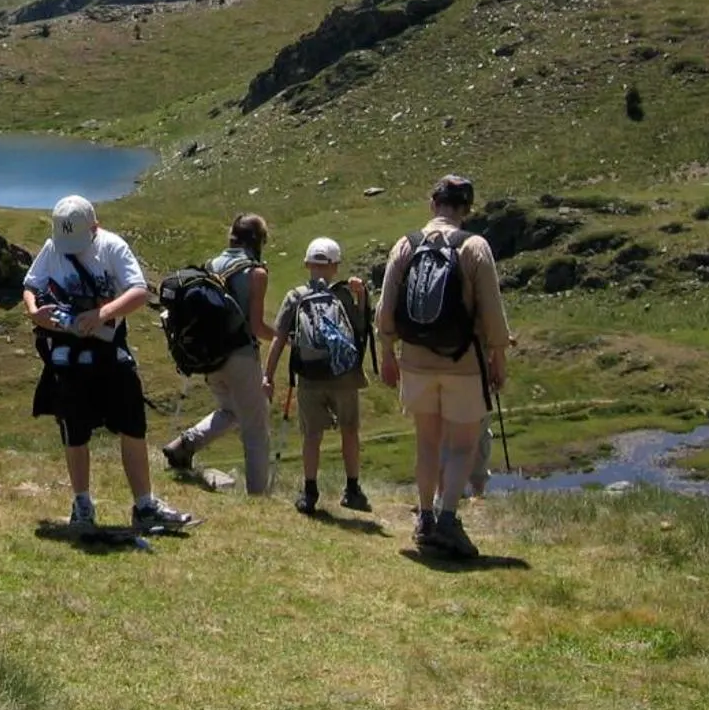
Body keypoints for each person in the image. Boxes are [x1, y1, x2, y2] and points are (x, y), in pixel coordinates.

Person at [25, 195, 195, 533]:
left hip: (109, 353)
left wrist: (101, 314)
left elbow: (139, 291)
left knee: (132, 426)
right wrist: (35, 312)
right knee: (75, 432)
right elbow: (31, 285)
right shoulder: (52, 248)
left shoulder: (112, 247)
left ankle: (145, 505)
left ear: (95, 228)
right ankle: (82, 504)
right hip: (68, 357)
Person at [378, 175, 508, 558]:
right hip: (464, 361)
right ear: (466, 209)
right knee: (462, 444)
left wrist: (388, 352)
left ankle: (425, 517)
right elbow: (491, 311)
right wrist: (498, 355)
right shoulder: (475, 246)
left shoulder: (406, 244)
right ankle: (449, 518)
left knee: (427, 442)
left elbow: (386, 309)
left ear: (432, 203)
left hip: (416, 360)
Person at [159, 214, 274, 496]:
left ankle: (184, 445)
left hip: (210, 358)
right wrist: (283, 337)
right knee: (255, 427)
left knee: (231, 411)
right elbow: (257, 326)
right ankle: (259, 495)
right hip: (241, 356)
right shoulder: (256, 272)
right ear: (258, 240)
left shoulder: (210, 266)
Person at [264, 236, 374, 515]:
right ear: (335, 266)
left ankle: (309, 491)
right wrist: (361, 298)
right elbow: (361, 331)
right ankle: (352, 489)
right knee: (350, 430)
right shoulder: (344, 294)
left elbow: (278, 339)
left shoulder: (295, 296)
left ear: (306, 264)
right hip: (345, 376)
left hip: (309, 377)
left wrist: (268, 376)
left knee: (311, 435)